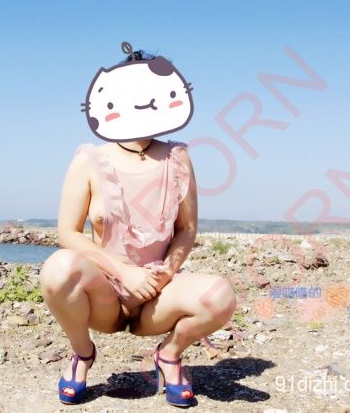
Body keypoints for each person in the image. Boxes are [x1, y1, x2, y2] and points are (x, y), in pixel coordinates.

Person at [39, 49, 237, 407]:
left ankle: (170, 355)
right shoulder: (89, 159)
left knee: (220, 296)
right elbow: (67, 233)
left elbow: (187, 228)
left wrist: (167, 271)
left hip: (158, 298)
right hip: (105, 295)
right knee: (57, 268)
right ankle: (83, 354)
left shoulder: (178, 157)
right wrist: (125, 273)